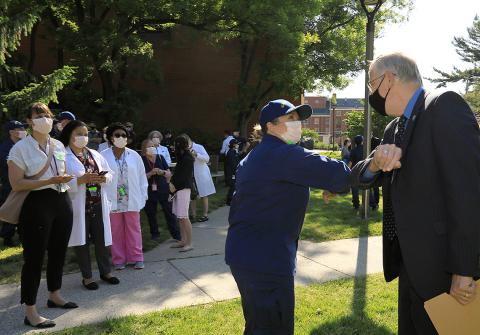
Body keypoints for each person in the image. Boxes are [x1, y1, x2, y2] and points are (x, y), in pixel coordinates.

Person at [351, 52, 480, 335]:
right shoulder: (393, 128)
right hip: (409, 267)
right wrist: (374, 163)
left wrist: (464, 269)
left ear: (389, 79)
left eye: (372, 85)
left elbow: (468, 193)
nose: (372, 94)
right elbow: (359, 178)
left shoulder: (444, 105)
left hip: (443, 271)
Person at [225, 99, 351, 335]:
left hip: (245, 256)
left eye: (298, 119)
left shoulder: (257, 155)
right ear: (270, 126)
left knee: (257, 326)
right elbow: (340, 175)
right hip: (266, 260)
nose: (298, 124)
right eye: (291, 119)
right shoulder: (282, 154)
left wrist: (328, 183)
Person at [8, 102, 77, 328]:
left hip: (61, 200)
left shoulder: (57, 144)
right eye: (39, 116)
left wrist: (63, 178)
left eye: (47, 115)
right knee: (34, 258)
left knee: (58, 251)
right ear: (29, 121)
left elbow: (62, 170)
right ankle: (30, 310)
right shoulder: (19, 149)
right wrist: (48, 181)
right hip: (36, 204)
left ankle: (54, 294)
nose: (45, 120)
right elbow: (17, 184)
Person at [60, 120, 120, 290]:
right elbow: (59, 180)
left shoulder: (94, 153)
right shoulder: (62, 155)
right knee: (82, 241)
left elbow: (109, 173)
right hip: (78, 205)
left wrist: (103, 178)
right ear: (69, 135)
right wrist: (79, 180)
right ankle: (87, 277)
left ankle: (106, 272)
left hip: (97, 202)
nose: (83, 137)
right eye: (79, 134)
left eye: (85, 134)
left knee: (102, 239)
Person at [101, 123, 148, 270]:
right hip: (112, 199)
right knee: (115, 230)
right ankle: (119, 259)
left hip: (132, 199)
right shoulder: (103, 156)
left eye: (124, 135)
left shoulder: (134, 156)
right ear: (110, 138)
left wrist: (143, 196)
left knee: (134, 228)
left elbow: (142, 177)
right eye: (117, 135)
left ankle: (136, 256)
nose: (121, 138)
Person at [141, 139, 180, 241]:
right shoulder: (141, 160)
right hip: (148, 190)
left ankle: (176, 234)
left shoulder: (160, 157)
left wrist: (162, 172)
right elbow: (139, 177)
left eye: (153, 146)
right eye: (149, 146)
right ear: (144, 149)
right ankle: (155, 234)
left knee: (169, 212)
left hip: (163, 188)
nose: (152, 148)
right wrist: (150, 173)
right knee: (151, 213)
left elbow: (168, 174)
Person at [0, 120, 26, 247]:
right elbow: (8, 165)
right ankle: (7, 237)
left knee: (23, 211)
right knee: (11, 209)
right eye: (19, 128)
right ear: (11, 132)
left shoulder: (23, 145)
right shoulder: (5, 148)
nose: (23, 131)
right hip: (9, 185)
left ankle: (22, 235)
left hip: (23, 183)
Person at [169, 134, 194, 252]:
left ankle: (189, 243)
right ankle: (183, 240)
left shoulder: (188, 159)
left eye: (175, 145)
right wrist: (172, 183)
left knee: (184, 216)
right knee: (180, 217)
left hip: (183, 189)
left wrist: (173, 185)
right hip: (179, 189)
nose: (174, 148)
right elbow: (178, 174)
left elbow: (184, 177)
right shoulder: (183, 157)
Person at [188, 136, 216, 223]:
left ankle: (205, 215)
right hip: (190, 174)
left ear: (190, 140)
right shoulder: (184, 149)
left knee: (204, 194)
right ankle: (193, 215)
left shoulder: (199, 147)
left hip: (201, 173)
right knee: (192, 195)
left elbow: (207, 159)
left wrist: (196, 154)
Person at [348, 135, 375, 210]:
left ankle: (356, 205)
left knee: (354, 188)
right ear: (362, 141)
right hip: (365, 170)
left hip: (355, 171)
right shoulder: (366, 150)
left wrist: (347, 170)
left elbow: (350, 162)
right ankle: (372, 204)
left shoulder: (353, 150)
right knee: (368, 187)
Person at [225, 138, 240, 206]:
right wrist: (236, 171)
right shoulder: (231, 153)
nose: (238, 145)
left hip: (233, 172)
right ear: (234, 145)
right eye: (237, 144)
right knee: (233, 186)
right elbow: (233, 164)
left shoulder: (234, 152)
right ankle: (229, 200)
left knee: (234, 186)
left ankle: (232, 199)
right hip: (231, 173)